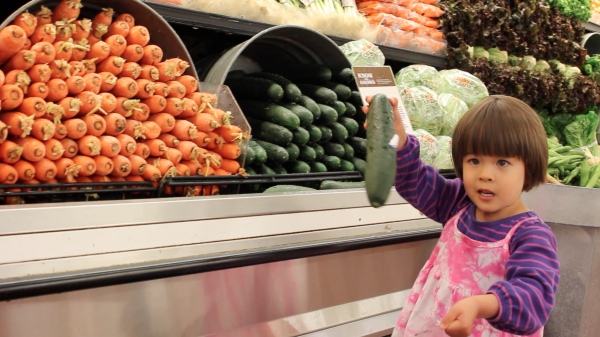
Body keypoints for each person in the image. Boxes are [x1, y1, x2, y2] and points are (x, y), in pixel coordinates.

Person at [363, 95, 560, 337]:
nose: (485, 174)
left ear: (528, 170)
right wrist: (398, 139)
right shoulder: (457, 203)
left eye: (502, 162)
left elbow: (534, 298)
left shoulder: (530, 236)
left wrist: (480, 304)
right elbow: (414, 179)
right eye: (474, 160)